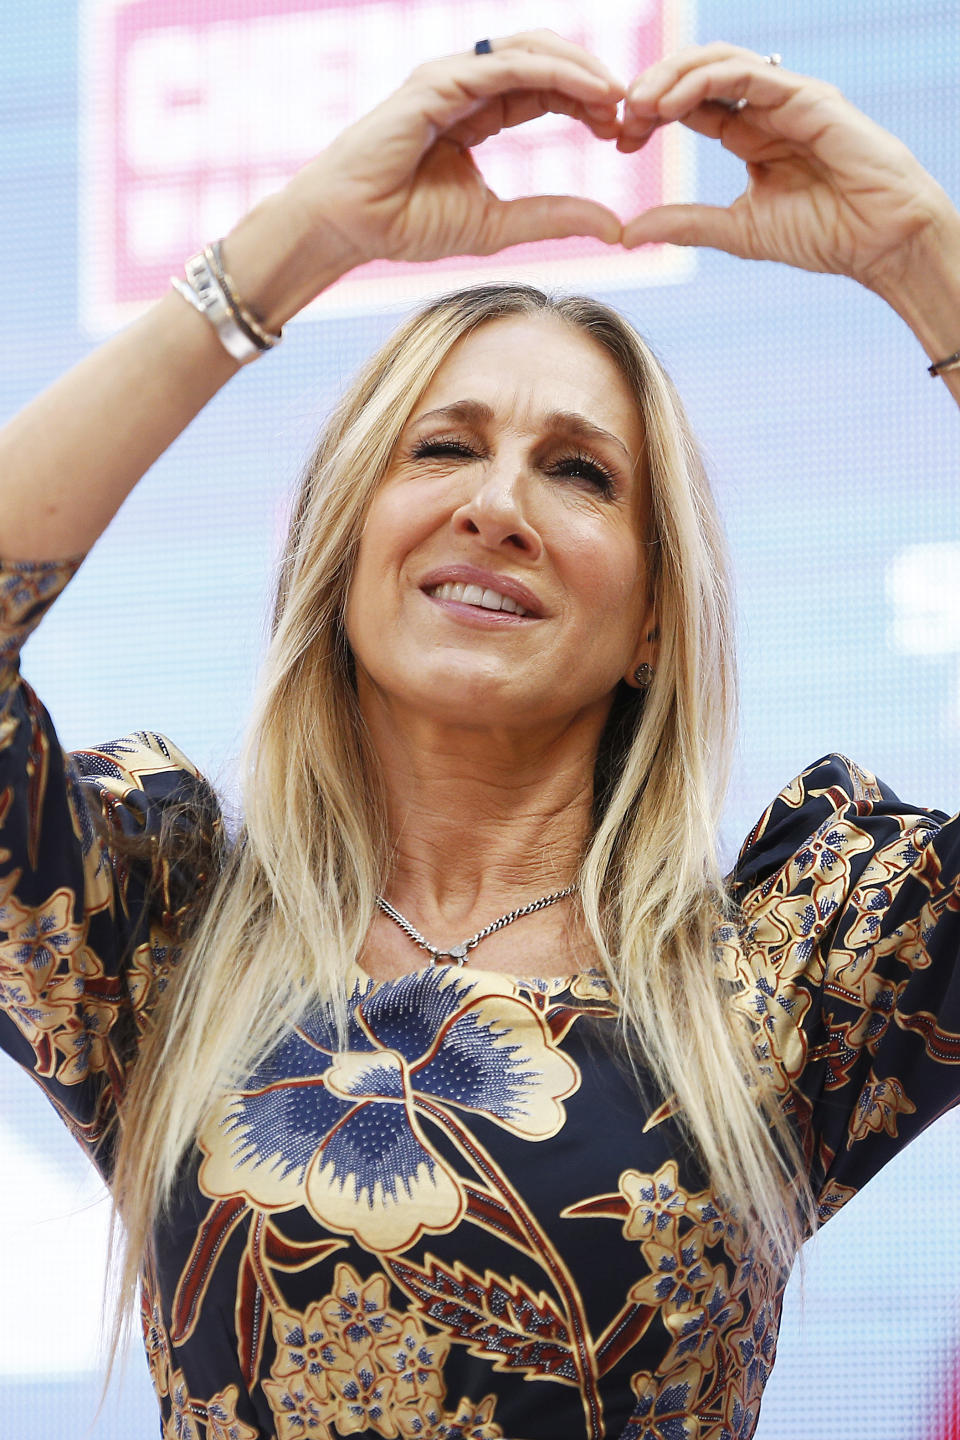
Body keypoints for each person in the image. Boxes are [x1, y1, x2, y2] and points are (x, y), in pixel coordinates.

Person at [0, 30, 958, 1440]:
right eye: (441, 447)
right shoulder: (165, 924)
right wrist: (294, 246)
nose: (497, 504)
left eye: (578, 472)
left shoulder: (800, 957)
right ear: (343, 554)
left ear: (652, 617)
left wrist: (928, 258)